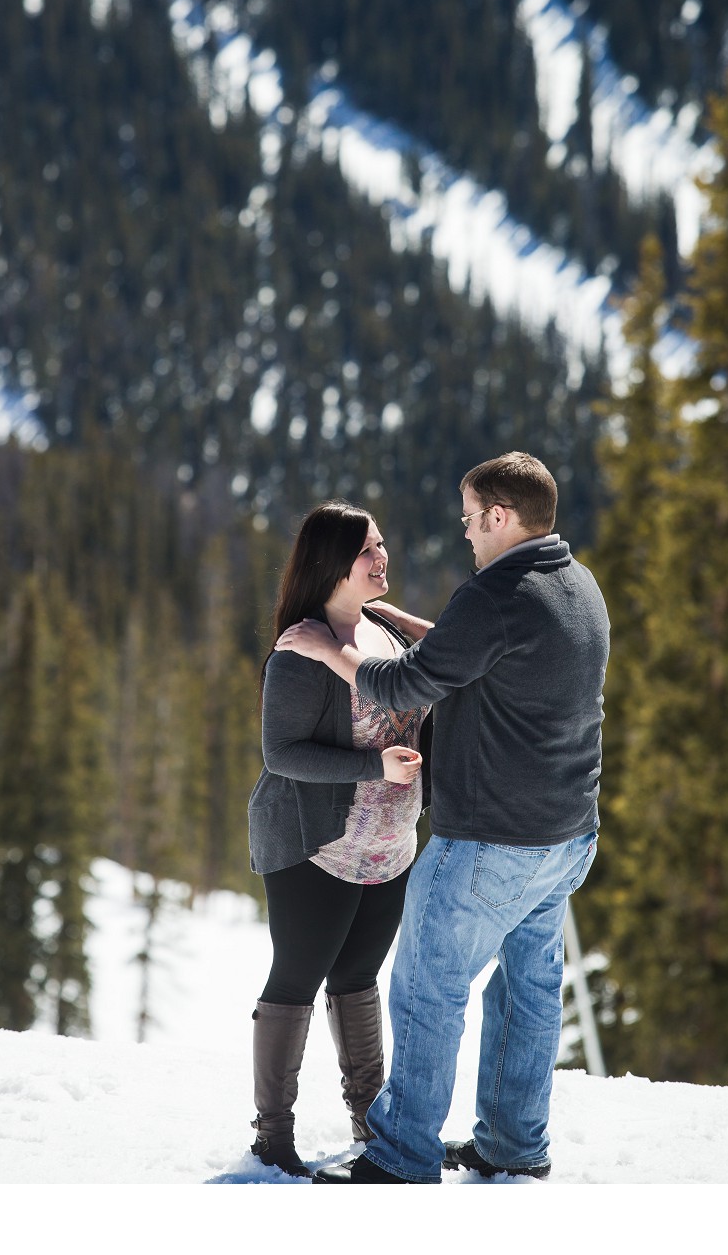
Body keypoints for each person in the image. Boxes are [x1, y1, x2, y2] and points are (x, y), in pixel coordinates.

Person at [276, 451, 608, 1184]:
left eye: (469, 520)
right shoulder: (577, 585)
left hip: (493, 838)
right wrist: (422, 625)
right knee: (526, 989)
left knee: (429, 984)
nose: (465, 534)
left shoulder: (494, 595)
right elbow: (496, 656)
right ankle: (514, 1145)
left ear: (500, 516)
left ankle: (399, 1156)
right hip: (567, 837)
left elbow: (404, 684)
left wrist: (331, 649)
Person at [246, 502, 432, 1179]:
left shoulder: (383, 628)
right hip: (316, 846)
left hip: (389, 846)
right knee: (296, 979)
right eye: (367, 551)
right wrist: (374, 765)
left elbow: (450, 661)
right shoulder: (302, 646)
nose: (382, 558)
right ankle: (273, 1134)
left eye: (382, 544)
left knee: (358, 978)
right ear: (333, 562)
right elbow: (281, 753)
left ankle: (368, 1120)